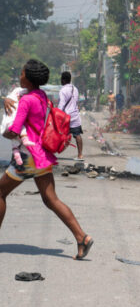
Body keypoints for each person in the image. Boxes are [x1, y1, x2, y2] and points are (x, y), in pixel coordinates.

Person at [0, 59, 93, 260]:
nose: (19, 76)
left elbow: (15, 129)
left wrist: (5, 133)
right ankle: (82, 237)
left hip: (27, 157)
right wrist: (4, 99)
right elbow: (15, 95)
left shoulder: (26, 101)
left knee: (0, 193)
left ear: (29, 77)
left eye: (22, 73)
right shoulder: (40, 96)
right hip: (41, 155)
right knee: (51, 199)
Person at [1, 87, 35, 165]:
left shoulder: (30, 96)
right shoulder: (18, 97)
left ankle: (16, 154)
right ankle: (24, 141)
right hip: (16, 128)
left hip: (8, 127)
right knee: (21, 129)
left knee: (14, 142)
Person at [58, 71, 84, 161]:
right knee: (77, 135)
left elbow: (61, 104)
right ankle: (80, 154)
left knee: (57, 133)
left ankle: (51, 152)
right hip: (75, 115)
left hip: (66, 116)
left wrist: (58, 114)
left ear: (63, 80)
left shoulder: (63, 90)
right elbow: (76, 101)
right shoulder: (75, 89)